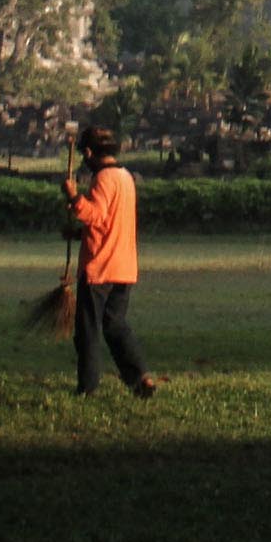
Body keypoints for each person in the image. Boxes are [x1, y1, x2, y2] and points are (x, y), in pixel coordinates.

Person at [63, 125, 158, 398]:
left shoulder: (103, 178)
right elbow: (109, 222)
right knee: (115, 325)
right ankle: (140, 378)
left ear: (90, 152)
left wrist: (73, 196)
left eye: (84, 154)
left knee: (88, 331)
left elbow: (97, 216)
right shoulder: (125, 177)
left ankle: (88, 387)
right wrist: (78, 233)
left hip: (100, 269)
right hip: (124, 265)